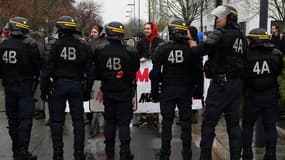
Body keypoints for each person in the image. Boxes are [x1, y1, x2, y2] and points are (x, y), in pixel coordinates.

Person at [190, 5, 247, 160]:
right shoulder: (242, 37)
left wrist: (193, 46)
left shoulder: (221, 34)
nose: (217, 20)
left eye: (219, 17)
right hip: (236, 86)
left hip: (220, 86)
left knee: (208, 124)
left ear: (229, 18)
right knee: (234, 126)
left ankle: (205, 157)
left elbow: (199, 52)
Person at [40, 16, 94, 160]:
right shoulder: (82, 46)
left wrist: (44, 90)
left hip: (58, 86)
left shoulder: (54, 46)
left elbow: (46, 71)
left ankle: (58, 153)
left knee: (57, 121)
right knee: (78, 121)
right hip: (76, 85)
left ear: (60, 30)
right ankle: (78, 153)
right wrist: (87, 91)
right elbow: (90, 71)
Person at [150, 19, 198, 160]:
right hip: (185, 89)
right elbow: (196, 71)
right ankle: (187, 153)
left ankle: (165, 154)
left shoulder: (162, 48)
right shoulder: (190, 48)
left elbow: (155, 74)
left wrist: (154, 92)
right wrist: (197, 90)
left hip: (168, 89)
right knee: (186, 123)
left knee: (167, 123)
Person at [93, 22, 140, 160]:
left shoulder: (100, 50)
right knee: (124, 122)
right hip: (124, 90)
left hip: (108, 89)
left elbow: (97, 72)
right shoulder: (130, 51)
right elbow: (134, 69)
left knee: (110, 121)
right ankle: (125, 151)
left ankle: (109, 151)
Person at [0, 16, 41, 160]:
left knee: (12, 119)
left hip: (8, 86)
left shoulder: (3, 45)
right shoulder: (30, 44)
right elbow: (37, 66)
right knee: (25, 119)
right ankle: (22, 150)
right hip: (24, 86)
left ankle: (16, 148)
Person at [242, 28, 283, 160]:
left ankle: (247, 153)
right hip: (270, 96)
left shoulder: (246, 55)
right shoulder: (277, 54)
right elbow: (278, 71)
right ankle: (271, 154)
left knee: (247, 126)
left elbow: (244, 75)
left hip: (252, 96)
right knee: (270, 127)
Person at [188, 26, 204, 124]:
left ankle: (193, 114)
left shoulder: (198, 44)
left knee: (196, 93)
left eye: (188, 32)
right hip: (189, 73)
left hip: (196, 72)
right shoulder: (186, 43)